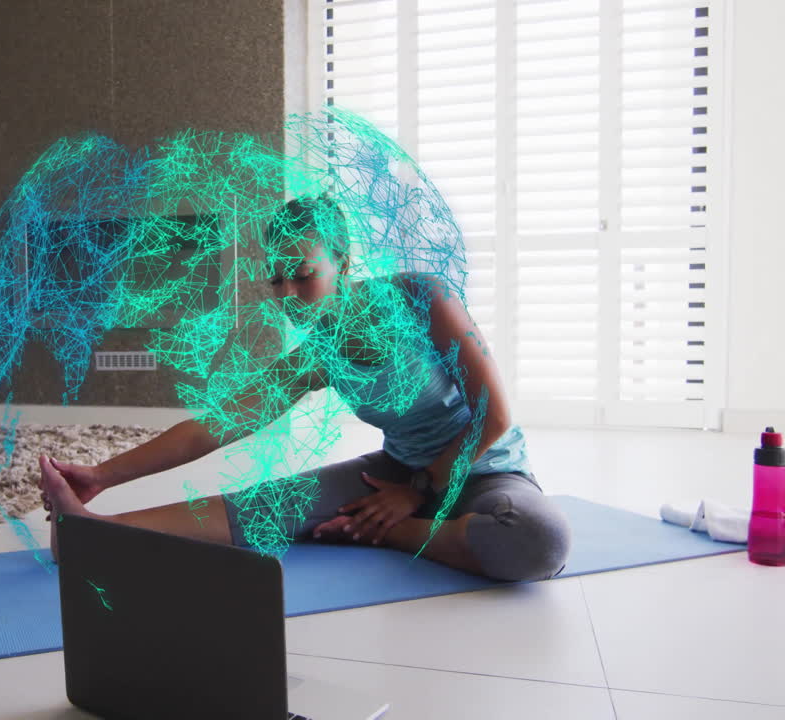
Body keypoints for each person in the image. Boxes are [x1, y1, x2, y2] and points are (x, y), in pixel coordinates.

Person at [38, 197, 571, 582]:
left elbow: (494, 414)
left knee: (538, 539)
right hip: (394, 476)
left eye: (303, 274)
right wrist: (101, 476)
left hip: (485, 472)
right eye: (276, 279)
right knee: (266, 505)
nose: (288, 293)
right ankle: (91, 532)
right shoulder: (316, 355)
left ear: (343, 264)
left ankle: (393, 531)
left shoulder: (419, 297)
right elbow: (212, 428)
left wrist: (416, 495)